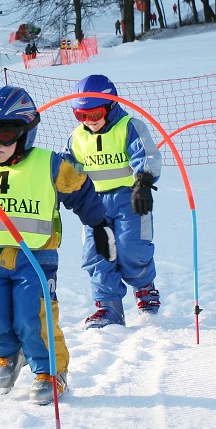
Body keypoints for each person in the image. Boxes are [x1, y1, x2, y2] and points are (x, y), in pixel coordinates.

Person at [0, 85, 115, 404]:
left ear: (26, 132)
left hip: (36, 258)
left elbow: (81, 193)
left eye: (6, 135)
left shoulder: (50, 165)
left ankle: (50, 372)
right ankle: (7, 354)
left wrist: (99, 224)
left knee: (32, 315)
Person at [65, 75, 162, 329]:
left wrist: (143, 182)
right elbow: (69, 168)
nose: (88, 120)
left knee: (132, 247)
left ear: (111, 105)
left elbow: (147, 154)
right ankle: (109, 307)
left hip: (130, 199)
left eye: (95, 114)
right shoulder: (77, 137)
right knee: (97, 253)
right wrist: (64, 189)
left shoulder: (129, 127)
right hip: (93, 204)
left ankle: (144, 286)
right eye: (81, 115)